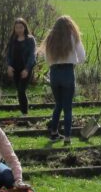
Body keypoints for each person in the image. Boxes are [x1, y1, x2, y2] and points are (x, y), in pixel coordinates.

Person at [40, 15, 86, 146]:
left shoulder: (50, 38)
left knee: (58, 104)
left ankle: (54, 132)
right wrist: (73, 60)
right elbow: (82, 57)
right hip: (67, 72)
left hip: (54, 72)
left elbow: (45, 58)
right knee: (68, 107)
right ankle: (67, 137)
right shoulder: (73, 37)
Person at [5, 18, 37, 115]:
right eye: (17, 27)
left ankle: (24, 113)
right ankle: (23, 112)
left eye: (21, 27)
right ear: (14, 28)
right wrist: (9, 66)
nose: (19, 29)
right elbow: (8, 54)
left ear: (25, 27)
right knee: (19, 91)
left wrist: (27, 69)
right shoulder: (12, 40)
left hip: (26, 69)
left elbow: (32, 56)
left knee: (21, 89)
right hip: (15, 69)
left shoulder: (30, 40)